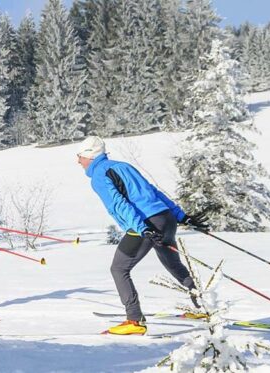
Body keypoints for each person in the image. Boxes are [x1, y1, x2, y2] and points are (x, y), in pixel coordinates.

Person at [77, 136, 209, 335]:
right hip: (165, 218)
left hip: (146, 223)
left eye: (79, 157)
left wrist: (141, 228)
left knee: (119, 268)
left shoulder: (99, 175)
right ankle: (204, 308)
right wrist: (180, 216)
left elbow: (119, 204)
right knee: (173, 264)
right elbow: (153, 192)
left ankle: (134, 320)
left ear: (89, 156)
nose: (78, 161)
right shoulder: (123, 166)